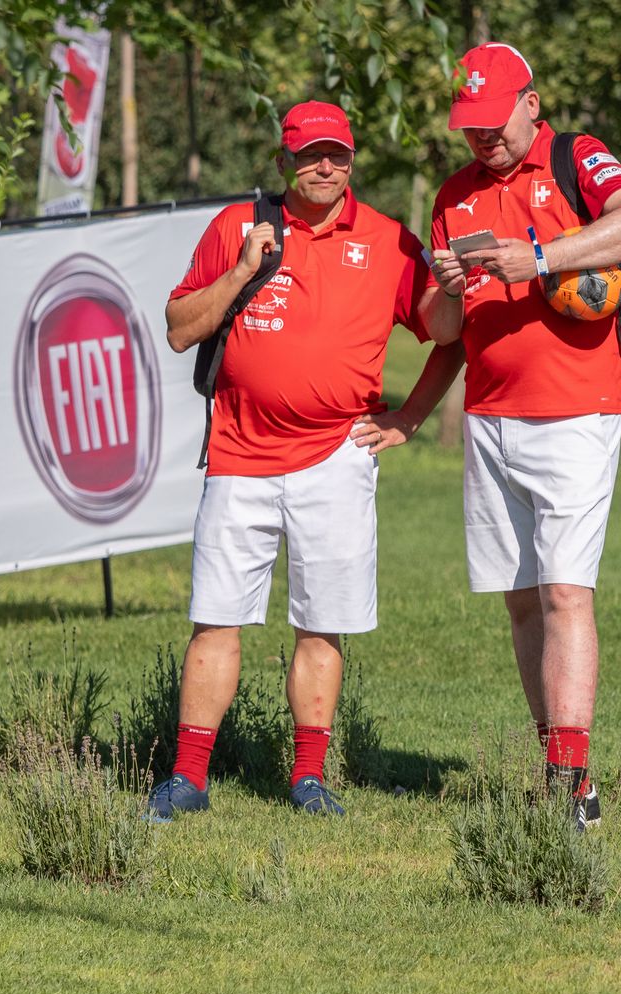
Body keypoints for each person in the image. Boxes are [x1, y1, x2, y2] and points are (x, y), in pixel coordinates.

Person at [361, 43, 621, 829]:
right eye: (470, 126)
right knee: (523, 602)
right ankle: (556, 767)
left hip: (576, 410)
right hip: (490, 418)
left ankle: (575, 789)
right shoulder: (454, 195)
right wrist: (414, 406)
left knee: (567, 590)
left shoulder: (578, 157)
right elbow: (454, 334)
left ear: (532, 101)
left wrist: (534, 258)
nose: (482, 138)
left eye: (494, 122)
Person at [149, 100, 453, 819]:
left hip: (337, 455)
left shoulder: (387, 240)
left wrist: (410, 415)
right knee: (216, 619)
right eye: (312, 154)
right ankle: (189, 778)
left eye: (339, 155)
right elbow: (179, 329)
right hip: (239, 451)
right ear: (285, 161)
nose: (327, 166)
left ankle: (308, 778)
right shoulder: (237, 226)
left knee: (323, 623)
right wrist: (242, 270)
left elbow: (443, 328)